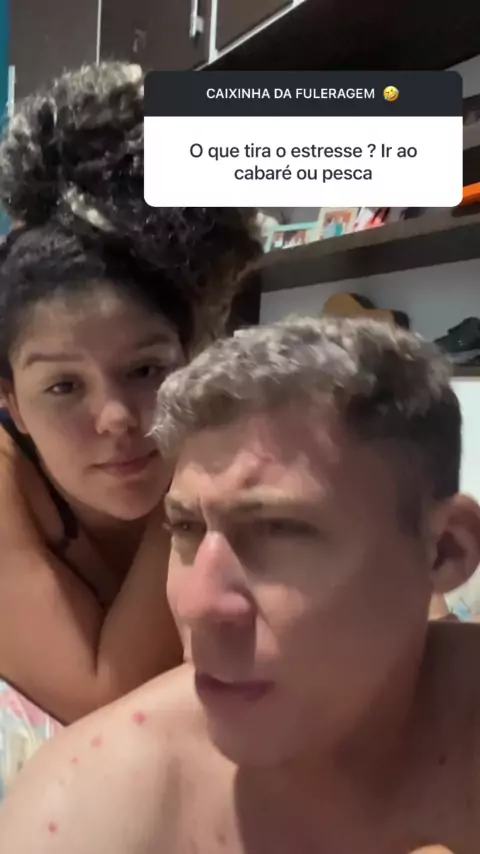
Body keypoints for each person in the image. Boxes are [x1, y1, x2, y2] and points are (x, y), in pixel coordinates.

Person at [1, 315, 479, 853]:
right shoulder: (88, 814)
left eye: (278, 530)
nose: (197, 604)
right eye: (185, 528)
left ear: (446, 550)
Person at [0, 59, 260, 737]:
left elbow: (409, 600)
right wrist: (185, 488)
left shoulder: (236, 420)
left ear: (192, 357)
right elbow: (104, 698)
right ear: (12, 402)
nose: (116, 418)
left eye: (145, 370)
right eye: (63, 385)